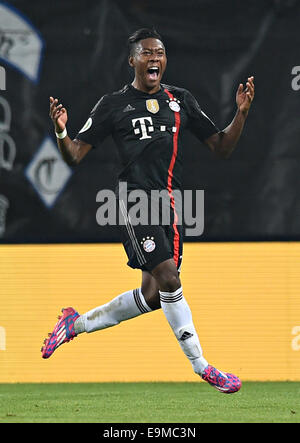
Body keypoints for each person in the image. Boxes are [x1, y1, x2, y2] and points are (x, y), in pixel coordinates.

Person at [41, 28, 254, 394]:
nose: (154, 58)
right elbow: (75, 154)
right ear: (132, 60)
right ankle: (203, 367)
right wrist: (61, 132)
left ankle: (73, 325)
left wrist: (241, 113)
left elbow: (221, 147)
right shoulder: (112, 105)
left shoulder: (180, 101)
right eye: (147, 53)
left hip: (169, 205)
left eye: (160, 52)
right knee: (170, 278)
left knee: (155, 296)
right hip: (133, 202)